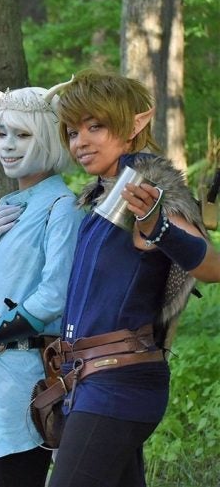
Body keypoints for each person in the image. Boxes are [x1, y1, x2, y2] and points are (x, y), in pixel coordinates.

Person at [47, 70, 220, 487]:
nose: (81, 142)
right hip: (86, 380)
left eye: (96, 126)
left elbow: (213, 268)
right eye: (72, 132)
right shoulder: (99, 196)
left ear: (134, 126)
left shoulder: (147, 187)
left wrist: (157, 226)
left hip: (119, 381)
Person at [0, 85, 84, 487]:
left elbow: (52, 299)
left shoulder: (63, 207)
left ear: (47, 137)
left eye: (23, 135)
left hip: (28, 381)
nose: (8, 146)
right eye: (3, 133)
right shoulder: (6, 206)